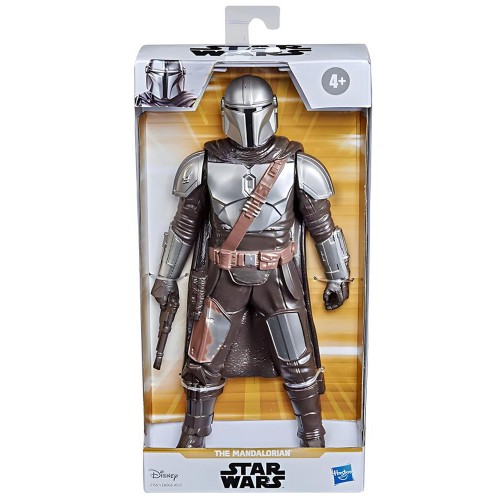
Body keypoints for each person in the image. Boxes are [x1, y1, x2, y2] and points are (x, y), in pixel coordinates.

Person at [151, 75, 350, 448]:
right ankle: (193, 434)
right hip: (224, 278)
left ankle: (313, 433)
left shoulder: (298, 165)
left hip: (278, 277)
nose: (248, 121)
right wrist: (166, 277)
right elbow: (183, 228)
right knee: (204, 356)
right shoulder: (203, 164)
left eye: (253, 112)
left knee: (297, 356)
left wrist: (339, 276)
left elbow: (323, 228)